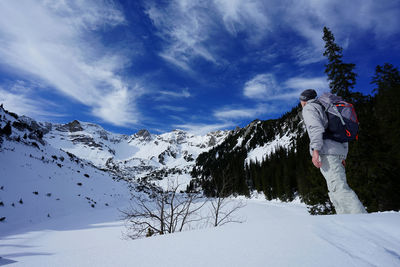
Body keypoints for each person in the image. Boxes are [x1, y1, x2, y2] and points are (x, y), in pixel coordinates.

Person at [300, 89, 366, 214]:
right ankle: (346, 220)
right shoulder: (325, 107)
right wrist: (343, 155)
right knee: (335, 188)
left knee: (339, 188)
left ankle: (363, 221)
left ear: (303, 101)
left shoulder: (309, 108)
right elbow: (343, 135)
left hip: (327, 152)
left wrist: (315, 151)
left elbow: (315, 128)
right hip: (338, 152)